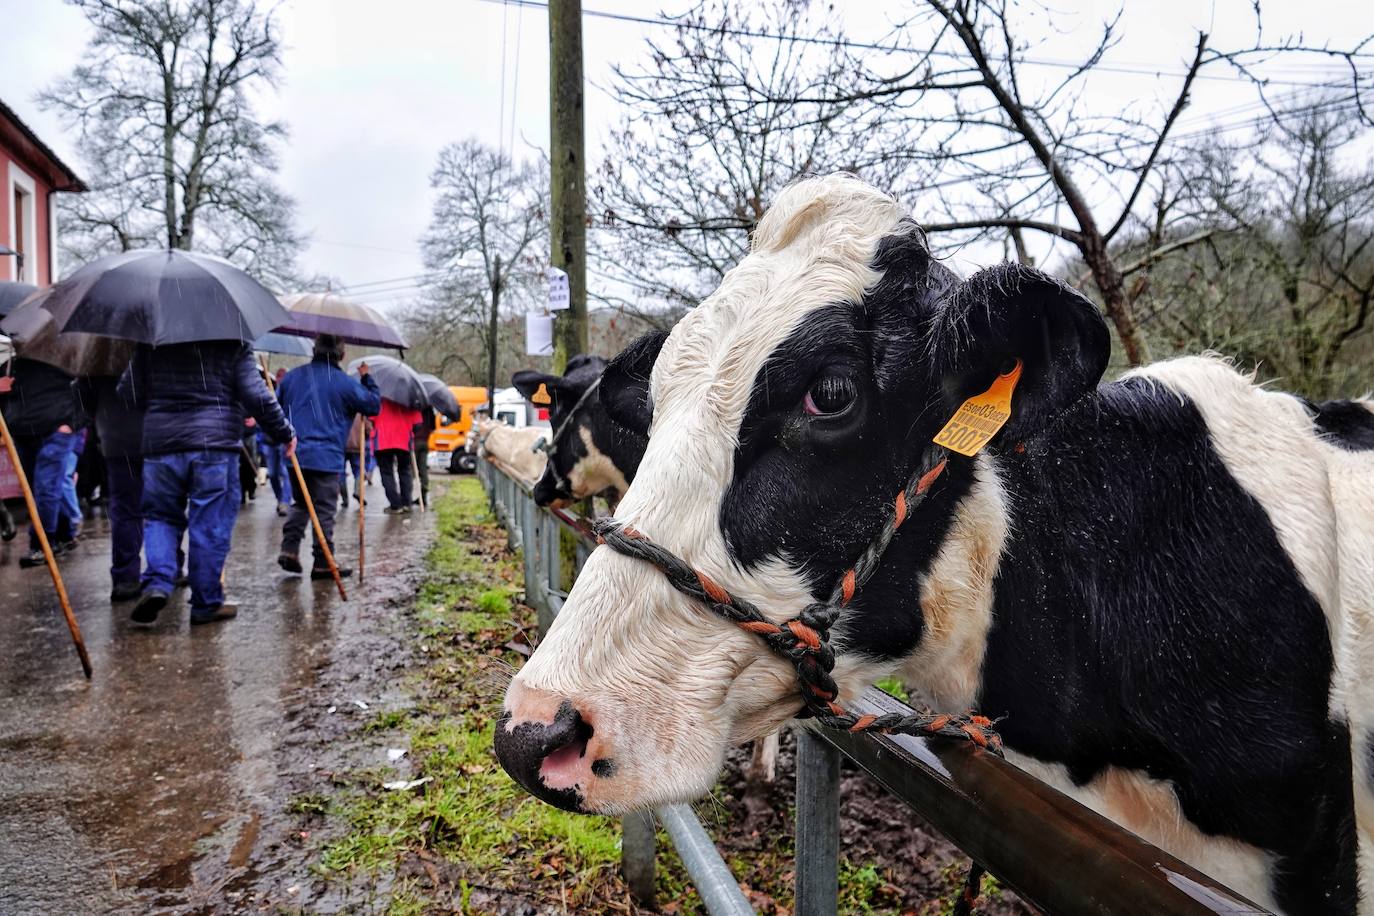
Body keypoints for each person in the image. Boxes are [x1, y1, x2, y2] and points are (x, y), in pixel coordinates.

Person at [119, 341, 295, 626]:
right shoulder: (233, 343)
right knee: (209, 523)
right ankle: (206, 602)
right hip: (214, 445)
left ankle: (158, 582)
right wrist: (284, 432)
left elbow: (128, 392)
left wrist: (161, 406)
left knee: (160, 517)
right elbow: (255, 395)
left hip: (161, 444)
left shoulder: (151, 344)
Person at [275, 334, 380, 579]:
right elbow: (373, 405)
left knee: (301, 503)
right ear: (342, 355)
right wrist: (367, 378)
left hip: (296, 454)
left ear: (314, 350)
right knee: (323, 508)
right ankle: (323, 561)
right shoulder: (345, 383)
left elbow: (275, 410)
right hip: (326, 456)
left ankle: (289, 548)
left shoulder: (291, 378)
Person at [76, 374, 160, 602]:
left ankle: (126, 578)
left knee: (125, 509)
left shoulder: (99, 353)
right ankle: (166, 571)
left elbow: (82, 398)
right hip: (159, 434)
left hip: (116, 436)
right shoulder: (160, 345)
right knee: (164, 508)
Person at [0, 356, 83, 567]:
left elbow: (86, 382)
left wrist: (73, 423)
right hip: (23, 428)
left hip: (56, 427)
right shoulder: (11, 354)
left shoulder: (62, 348)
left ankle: (43, 544)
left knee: (45, 487)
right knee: (38, 489)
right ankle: (64, 533)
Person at [374, 397, 421, 513]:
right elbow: (418, 424)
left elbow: (370, 418)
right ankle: (406, 502)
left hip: (383, 440)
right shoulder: (409, 400)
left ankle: (395, 504)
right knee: (405, 470)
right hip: (404, 439)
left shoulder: (378, 399)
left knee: (386, 472)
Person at [412, 406, 436, 508]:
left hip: (415, 441)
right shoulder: (429, 408)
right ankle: (423, 497)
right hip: (425, 441)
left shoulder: (413, 407)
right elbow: (433, 427)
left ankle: (406, 498)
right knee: (423, 470)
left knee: (410, 470)